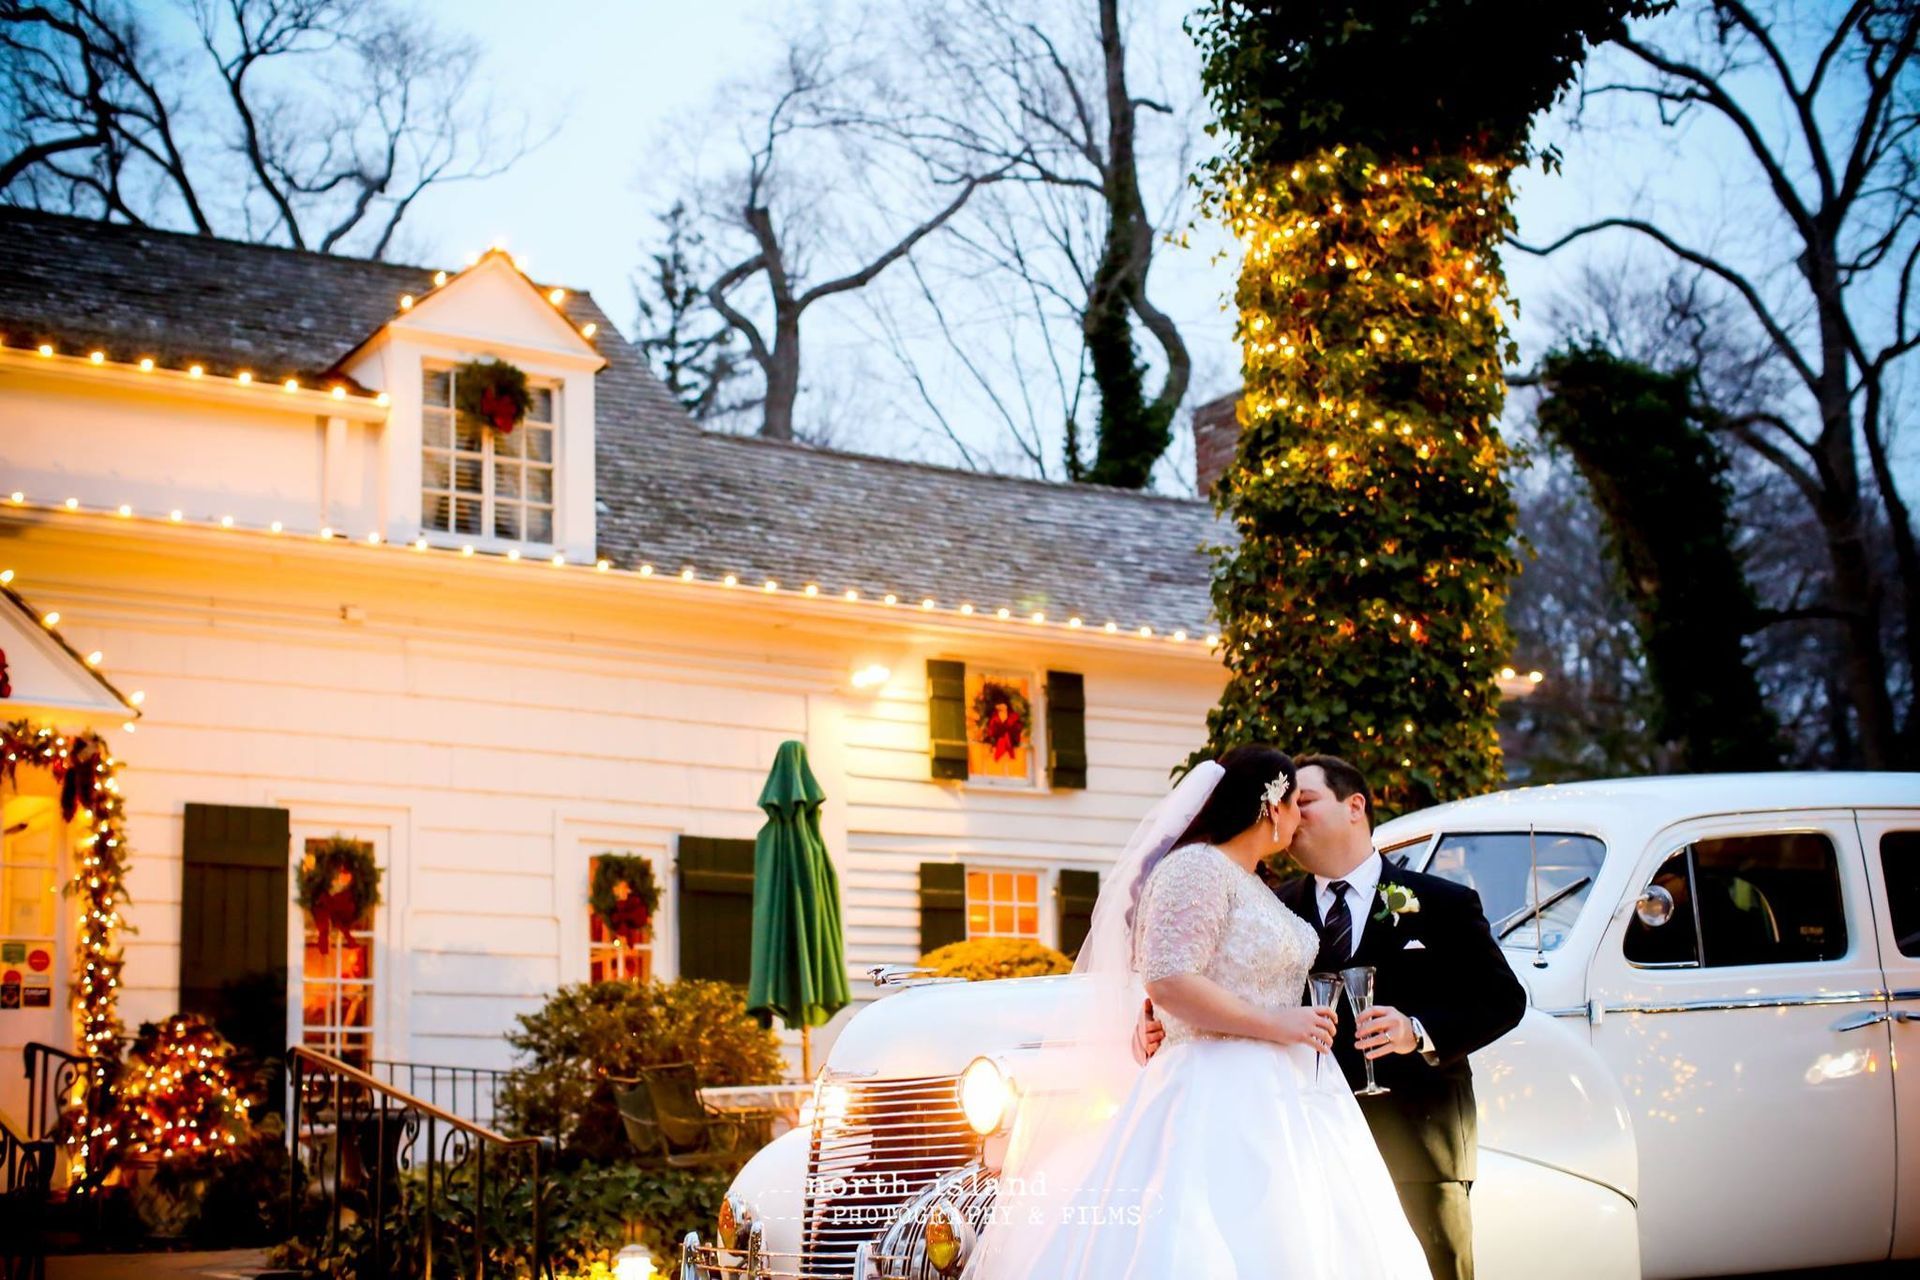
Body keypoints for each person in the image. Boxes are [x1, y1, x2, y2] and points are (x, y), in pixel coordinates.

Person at [963, 746, 1429, 1279]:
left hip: (1290, 1093)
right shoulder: (1197, 867)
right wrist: (1278, 1022)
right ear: (1272, 806)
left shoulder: (1254, 883)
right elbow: (1170, 978)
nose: (1300, 818)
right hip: (1213, 1089)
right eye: (1295, 803)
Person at [1139, 755, 1527, 1280]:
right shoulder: (1272, 906)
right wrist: (1159, 1021)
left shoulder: (1442, 902)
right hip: (1293, 1138)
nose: (1294, 816)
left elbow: (1504, 999)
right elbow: (1202, 976)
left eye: (1307, 802)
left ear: (1355, 807)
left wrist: (1416, 1031)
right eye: (1289, 804)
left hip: (1417, 1136)